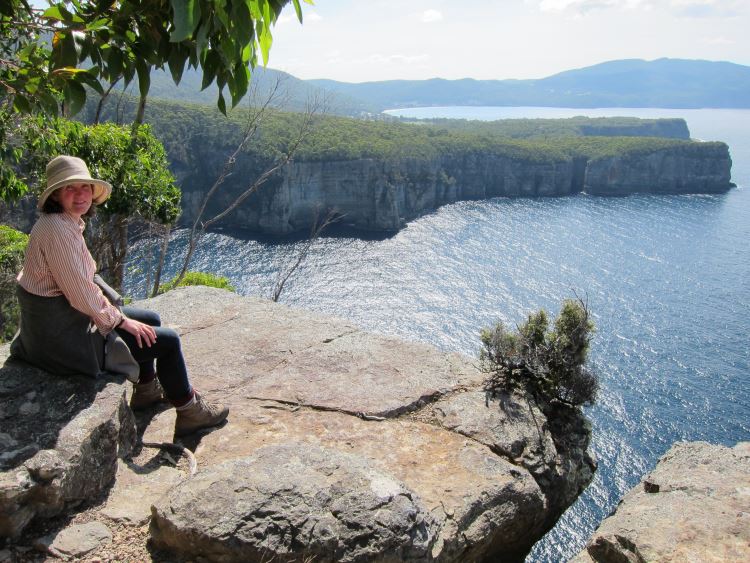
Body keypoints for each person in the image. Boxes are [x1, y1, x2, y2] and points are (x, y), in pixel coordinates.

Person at [10, 155, 228, 437]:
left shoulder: (62, 223)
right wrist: (121, 322)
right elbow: (81, 294)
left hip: (62, 324)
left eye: (84, 187)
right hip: (64, 340)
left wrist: (120, 316)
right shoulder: (57, 231)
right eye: (70, 188)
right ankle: (190, 412)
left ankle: (147, 390)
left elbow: (80, 284)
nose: (80, 195)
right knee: (169, 342)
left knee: (150, 319)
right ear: (55, 194)